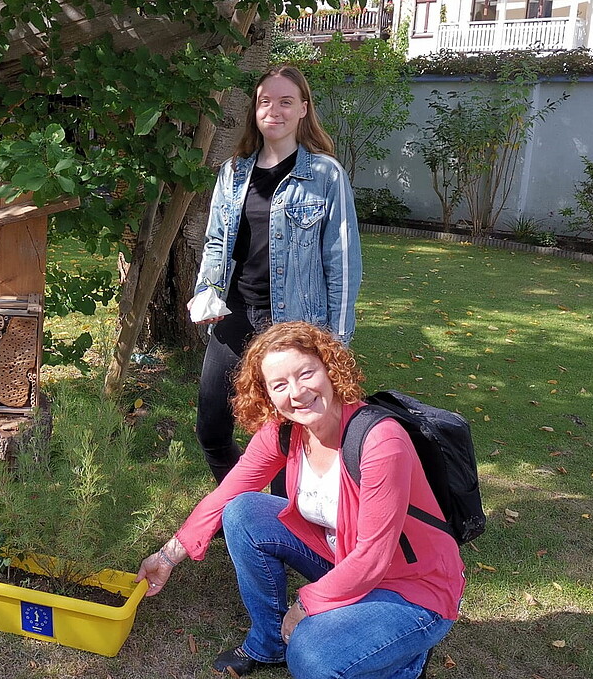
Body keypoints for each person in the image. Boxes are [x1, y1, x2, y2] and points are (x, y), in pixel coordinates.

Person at [137, 322, 464, 678]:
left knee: (312, 656)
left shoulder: (380, 441)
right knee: (243, 513)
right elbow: (225, 495)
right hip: (343, 558)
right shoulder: (285, 431)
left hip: (413, 587)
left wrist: (306, 603)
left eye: (306, 373)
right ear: (266, 394)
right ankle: (269, 645)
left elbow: (373, 558)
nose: (297, 392)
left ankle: (408, 661)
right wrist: (167, 556)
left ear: (330, 368)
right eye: (279, 384)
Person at [191, 65, 362, 484]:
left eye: (286, 101)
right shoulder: (233, 173)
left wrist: (334, 343)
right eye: (265, 101)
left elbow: (342, 262)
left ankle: (287, 516)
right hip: (234, 315)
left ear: (303, 109)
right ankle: (241, 505)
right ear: (255, 110)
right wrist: (207, 291)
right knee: (211, 428)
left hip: (293, 323)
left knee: (291, 436)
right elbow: (216, 240)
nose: (274, 110)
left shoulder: (325, 176)